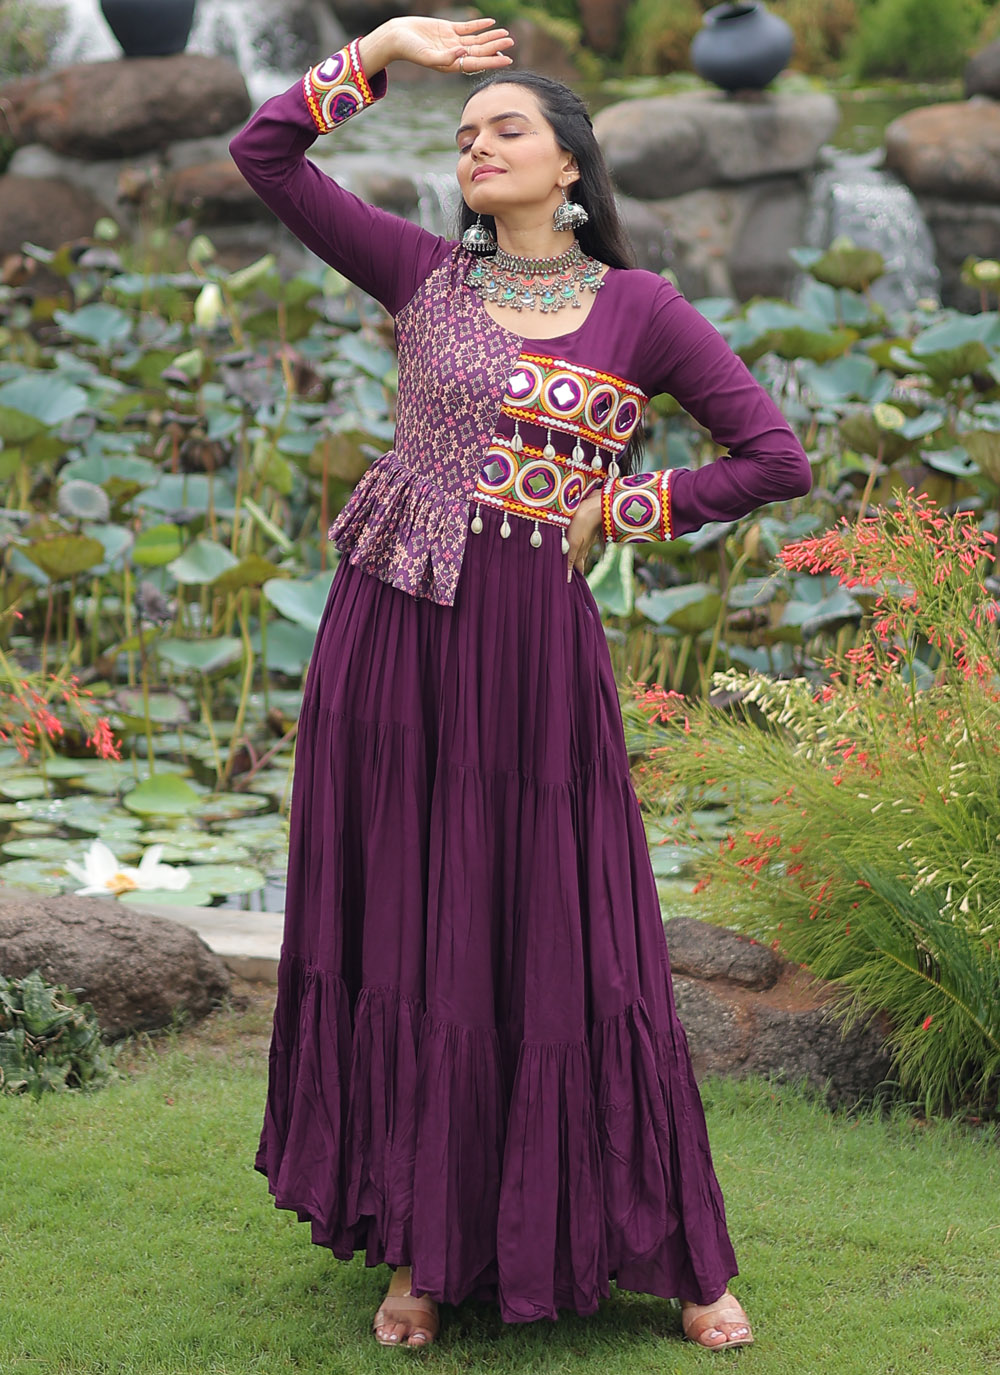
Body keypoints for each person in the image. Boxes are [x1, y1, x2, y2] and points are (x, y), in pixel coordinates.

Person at [230, 13, 811, 1353]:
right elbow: (265, 156)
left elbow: (772, 458)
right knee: (411, 924)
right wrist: (383, 50)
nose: (475, 147)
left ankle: (678, 1255)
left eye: (504, 129)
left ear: (570, 167)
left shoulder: (641, 310)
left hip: (530, 649)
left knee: (566, 925)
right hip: (391, 637)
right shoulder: (422, 272)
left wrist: (631, 506)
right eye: (463, 134)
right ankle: (421, 1249)